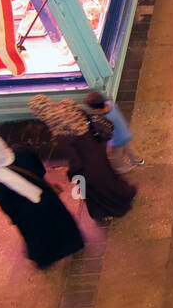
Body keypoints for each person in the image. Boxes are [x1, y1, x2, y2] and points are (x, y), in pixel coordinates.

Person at [0, 134, 84, 269]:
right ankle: (73, 243)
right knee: (60, 221)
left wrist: (14, 219)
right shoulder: (21, 151)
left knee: (38, 237)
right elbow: (40, 169)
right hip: (46, 196)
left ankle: (48, 258)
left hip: (27, 214)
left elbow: (7, 206)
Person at [28, 95, 136, 223]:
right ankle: (124, 195)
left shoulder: (60, 132)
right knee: (108, 178)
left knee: (99, 190)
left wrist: (72, 174)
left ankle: (114, 208)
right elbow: (87, 119)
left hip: (88, 166)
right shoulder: (68, 105)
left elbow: (76, 162)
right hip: (97, 150)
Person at [85, 90, 144, 174]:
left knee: (116, 157)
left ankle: (120, 168)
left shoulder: (106, 118)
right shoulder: (110, 103)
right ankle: (138, 160)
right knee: (129, 148)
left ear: (97, 108)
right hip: (125, 133)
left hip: (118, 140)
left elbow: (107, 131)